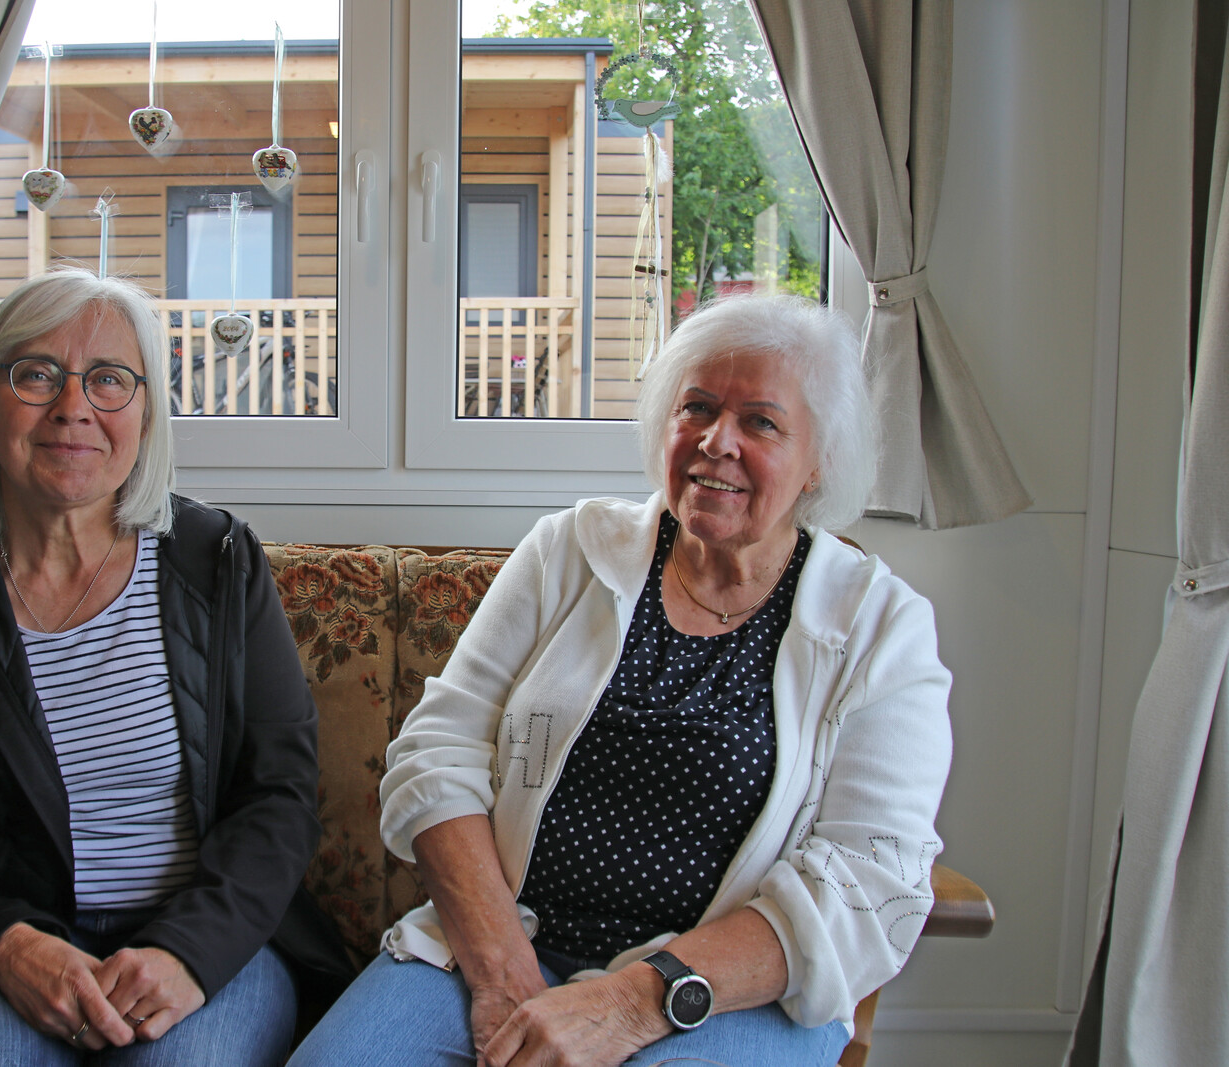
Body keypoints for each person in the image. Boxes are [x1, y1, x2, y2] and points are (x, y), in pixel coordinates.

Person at [290, 295, 953, 1067]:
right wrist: (506, 978)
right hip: (504, 944)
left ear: (820, 462)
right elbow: (438, 752)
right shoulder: (569, 551)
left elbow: (868, 880)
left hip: (730, 992)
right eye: (696, 407)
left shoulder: (880, 627)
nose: (716, 441)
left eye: (761, 422)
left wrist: (631, 1000)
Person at [0, 268, 350, 1067]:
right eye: (35, 373)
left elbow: (279, 795)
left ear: (145, 417)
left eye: (109, 379)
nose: (73, 407)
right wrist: (8, 946)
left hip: (202, 937)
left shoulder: (218, 562)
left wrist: (188, 952)